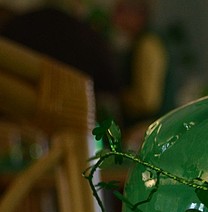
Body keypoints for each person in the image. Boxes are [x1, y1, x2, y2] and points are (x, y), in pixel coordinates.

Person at [0, 0, 121, 121]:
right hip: (73, 116)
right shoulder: (90, 39)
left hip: (21, 116)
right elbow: (111, 85)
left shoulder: (20, 26)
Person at [111, 0, 171, 130]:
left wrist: (118, 96)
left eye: (120, 11)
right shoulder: (140, 43)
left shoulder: (147, 45)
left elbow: (147, 101)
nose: (115, 18)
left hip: (148, 130)